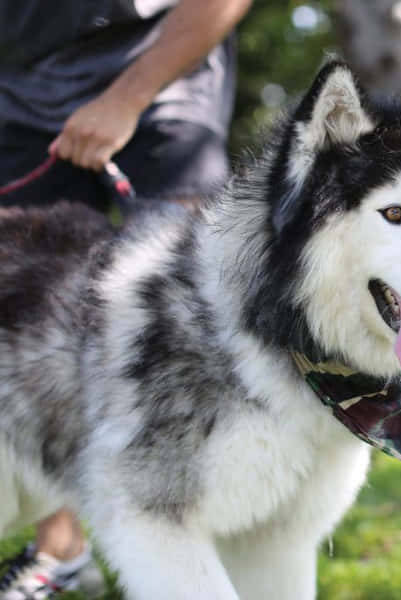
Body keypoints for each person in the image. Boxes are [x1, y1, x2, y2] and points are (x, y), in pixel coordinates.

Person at [0, 1, 252, 597]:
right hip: (20, 94)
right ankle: (60, 548)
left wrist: (125, 100)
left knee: (188, 323)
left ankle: (212, 542)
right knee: (25, 323)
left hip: (164, 78)